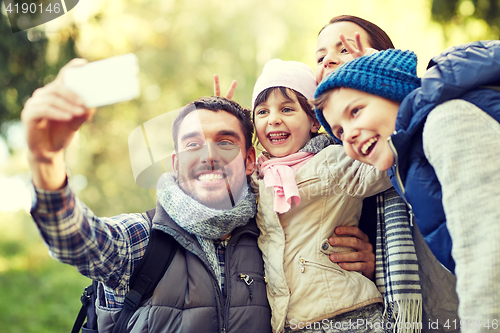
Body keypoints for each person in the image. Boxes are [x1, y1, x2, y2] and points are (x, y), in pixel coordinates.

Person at [22, 60, 272, 332]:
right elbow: (74, 238)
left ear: (249, 160)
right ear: (175, 164)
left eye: (225, 142)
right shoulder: (142, 238)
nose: (209, 155)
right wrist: (45, 159)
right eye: (193, 144)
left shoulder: (273, 239)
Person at [313, 41, 500, 332]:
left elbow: (487, 255)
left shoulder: (447, 123)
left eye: (356, 111)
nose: (347, 135)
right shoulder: (405, 165)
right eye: (339, 131)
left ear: (392, 92)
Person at [251, 58, 392, 333]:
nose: (274, 119)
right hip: (290, 323)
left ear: (315, 121)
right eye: (262, 112)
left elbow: (383, 165)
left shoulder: (332, 161)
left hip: (348, 314)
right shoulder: (256, 177)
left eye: (287, 109)